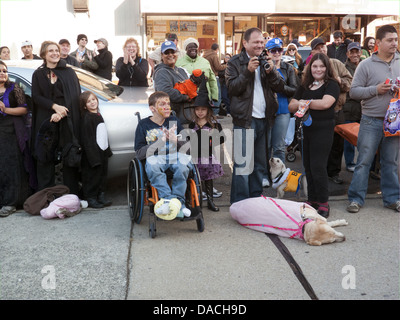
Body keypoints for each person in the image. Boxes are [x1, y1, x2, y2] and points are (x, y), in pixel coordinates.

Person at [225, 27, 285, 204]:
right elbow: (232, 88)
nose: (260, 45)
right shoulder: (235, 62)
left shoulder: (267, 60)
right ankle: (240, 203)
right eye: (256, 42)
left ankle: (255, 200)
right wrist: (247, 71)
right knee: (243, 166)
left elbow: (280, 86)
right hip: (244, 121)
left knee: (259, 165)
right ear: (245, 43)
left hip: (264, 121)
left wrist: (271, 71)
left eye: (261, 42)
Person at [347, 24, 400, 213]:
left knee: (391, 162)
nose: (395, 43)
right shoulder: (365, 64)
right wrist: (375, 90)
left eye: (396, 39)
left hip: (394, 121)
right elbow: (353, 92)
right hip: (371, 120)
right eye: (390, 40)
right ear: (378, 43)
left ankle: (392, 199)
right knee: (364, 161)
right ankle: (355, 199)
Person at [288, 53, 340, 218]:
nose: (318, 69)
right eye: (315, 66)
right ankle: (312, 200)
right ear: (310, 68)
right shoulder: (305, 85)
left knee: (318, 167)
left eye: (321, 66)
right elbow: (291, 106)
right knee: (308, 167)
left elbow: (326, 103)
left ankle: (323, 202)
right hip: (305, 131)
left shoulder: (332, 84)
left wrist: (304, 103)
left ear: (327, 68)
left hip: (323, 130)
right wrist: (304, 103)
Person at [31, 41, 82, 195]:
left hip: (66, 119)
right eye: (50, 51)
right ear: (44, 55)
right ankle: (45, 196)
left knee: (68, 156)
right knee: (44, 158)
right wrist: (54, 107)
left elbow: (74, 96)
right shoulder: (38, 74)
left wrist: (62, 112)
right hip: (46, 120)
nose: (54, 53)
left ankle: (71, 194)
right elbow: (36, 97)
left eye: (56, 50)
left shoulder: (69, 72)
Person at [134, 91, 192, 219]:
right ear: (152, 108)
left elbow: (188, 147)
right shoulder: (144, 125)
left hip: (175, 155)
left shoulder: (174, 121)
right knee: (153, 167)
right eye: (162, 104)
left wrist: (175, 140)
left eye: (168, 104)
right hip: (155, 157)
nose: (167, 107)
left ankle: (178, 203)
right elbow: (139, 154)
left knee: (183, 166)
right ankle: (169, 201)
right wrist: (161, 141)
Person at [311, 37, 353, 185]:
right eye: (318, 48)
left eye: (323, 47)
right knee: (319, 144)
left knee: (337, 144)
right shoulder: (310, 66)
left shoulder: (337, 64)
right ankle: (319, 172)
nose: (322, 50)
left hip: (337, 111)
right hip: (317, 113)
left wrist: (337, 80)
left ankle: (334, 172)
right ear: (313, 51)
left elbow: (349, 84)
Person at [0, 60, 36, 217]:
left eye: (4, 71)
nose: (2, 73)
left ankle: (11, 202)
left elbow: (23, 109)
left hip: (11, 132)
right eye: (0, 71)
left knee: (11, 167)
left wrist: (5, 109)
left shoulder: (13, 88)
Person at [188, 79, 224, 211]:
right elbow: (188, 140)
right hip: (195, 156)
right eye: (197, 109)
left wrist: (212, 138)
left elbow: (221, 139)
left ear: (208, 110)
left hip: (208, 156)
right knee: (196, 179)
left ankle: (210, 201)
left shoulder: (214, 125)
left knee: (208, 179)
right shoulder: (193, 124)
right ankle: (196, 201)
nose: (200, 112)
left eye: (203, 109)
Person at [265, 38, 298, 163]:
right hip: (266, 111)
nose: (276, 53)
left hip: (283, 109)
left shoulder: (288, 68)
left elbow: (294, 89)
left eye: (279, 50)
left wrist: (279, 86)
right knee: (266, 147)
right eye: (273, 50)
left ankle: (279, 178)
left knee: (279, 147)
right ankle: (266, 175)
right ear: (268, 52)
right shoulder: (263, 67)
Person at [79, 91, 113, 208]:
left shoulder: (98, 115)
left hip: (102, 151)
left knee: (102, 175)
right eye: (88, 102)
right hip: (93, 155)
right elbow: (88, 140)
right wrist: (93, 157)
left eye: (93, 99)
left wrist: (107, 150)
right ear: (84, 106)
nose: (92, 102)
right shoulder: (87, 118)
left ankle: (101, 195)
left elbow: (103, 134)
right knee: (92, 177)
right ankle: (91, 197)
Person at [152, 40, 191, 124]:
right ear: (162, 56)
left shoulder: (181, 71)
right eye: (166, 53)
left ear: (176, 53)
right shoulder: (161, 72)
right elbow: (165, 92)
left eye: (172, 52)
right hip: (171, 120)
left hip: (185, 117)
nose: (170, 55)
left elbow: (190, 87)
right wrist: (186, 97)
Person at [176, 38, 219, 111]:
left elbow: (212, 80)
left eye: (195, 47)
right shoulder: (178, 63)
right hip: (187, 99)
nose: (193, 49)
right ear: (186, 49)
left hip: (204, 97)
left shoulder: (205, 62)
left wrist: (214, 96)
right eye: (190, 47)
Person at [342, 42, 362, 172]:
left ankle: (362, 163)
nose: (355, 54)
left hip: (363, 108)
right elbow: (348, 89)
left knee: (363, 139)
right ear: (347, 54)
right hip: (349, 108)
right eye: (352, 52)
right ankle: (349, 162)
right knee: (349, 138)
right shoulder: (344, 68)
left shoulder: (365, 65)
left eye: (357, 52)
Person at [203, 43, 227, 115]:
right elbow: (218, 67)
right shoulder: (214, 55)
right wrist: (226, 65)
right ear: (217, 49)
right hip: (214, 77)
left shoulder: (205, 55)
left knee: (210, 96)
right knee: (217, 96)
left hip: (207, 77)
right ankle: (214, 114)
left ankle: (210, 113)